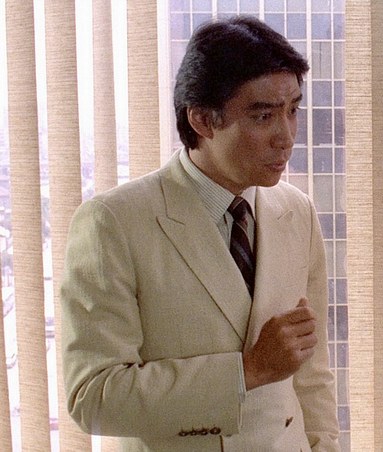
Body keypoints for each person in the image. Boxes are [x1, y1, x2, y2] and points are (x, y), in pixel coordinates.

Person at [61, 16, 339, 451]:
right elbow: (93, 397)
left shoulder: (296, 211)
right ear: (203, 121)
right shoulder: (113, 223)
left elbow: (312, 372)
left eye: (292, 111)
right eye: (263, 116)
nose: (286, 137)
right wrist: (247, 370)